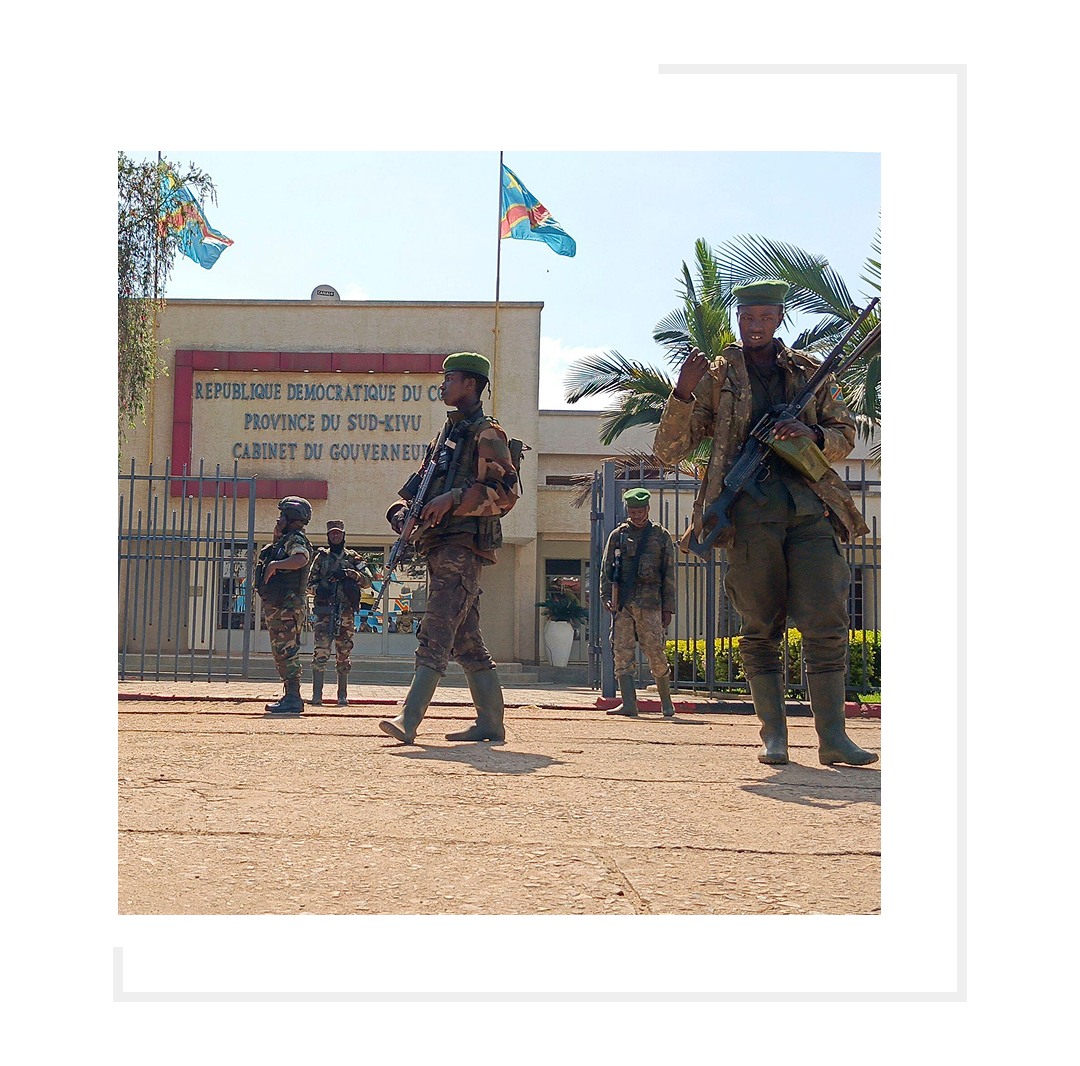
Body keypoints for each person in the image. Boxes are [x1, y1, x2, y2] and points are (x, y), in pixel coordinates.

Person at [653, 280, 877, 766]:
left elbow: (844, 434)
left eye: (764, 318)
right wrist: (682, 392)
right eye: (747, 318)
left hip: (810, 510)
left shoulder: (810, 371)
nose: (755, 327)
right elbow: (669, 451)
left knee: (826, 621)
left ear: (779, 320)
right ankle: (774, 736)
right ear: (738, 319)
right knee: (758, 628)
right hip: (749, 518)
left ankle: (833, 738)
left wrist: (810, 431)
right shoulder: (718, 376)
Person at [379, 352, 520, 744]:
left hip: (464, 545)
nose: (442, 385)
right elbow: (418, 489)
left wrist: (454, 499)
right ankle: (490, 723)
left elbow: (506, 492)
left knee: (438, 627)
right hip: (438, 544)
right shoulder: (445, 437)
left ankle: (409, 718)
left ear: (470, 384)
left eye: (449, 378)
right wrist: (401, 513)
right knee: (467, 640)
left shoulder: (487, 433)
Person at [600, 488, 677, 718]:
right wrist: (606, 596)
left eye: (640, 511)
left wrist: (668, 608)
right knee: (622, 651)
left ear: (648, 509)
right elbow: (606, 569)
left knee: (655, 651)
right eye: (632, 511)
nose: (636, 515)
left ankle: (666, 703)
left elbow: (669, 574)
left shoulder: (660, 536)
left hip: (650, 603)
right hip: (623, 603)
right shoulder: (618, 535)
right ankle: (629, 704)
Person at [255, 497, 315, 714]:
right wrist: (276, 539)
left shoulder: (296, 538)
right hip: (281, 605)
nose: (278, 519)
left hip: (287, 606)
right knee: (282, 651)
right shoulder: (284, 540)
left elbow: (301, 558)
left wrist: (275, 565)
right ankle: (290, 696)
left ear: (291, 518)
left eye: (282, 515)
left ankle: (293, 698)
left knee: (286, 651)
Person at [307, 520, 373, 706]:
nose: (335, 536)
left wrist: (348, 574)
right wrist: (319, 590)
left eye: (338, 533)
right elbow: (309, 584)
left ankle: (342, 695)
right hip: (325, 613)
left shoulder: (353, 558)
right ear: (328, 536)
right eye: (332, 533)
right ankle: (317, 695)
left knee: (344, 652)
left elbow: (368, 581)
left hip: (346, 613)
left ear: (344, 535)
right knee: (320, 652)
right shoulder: (321, 558)